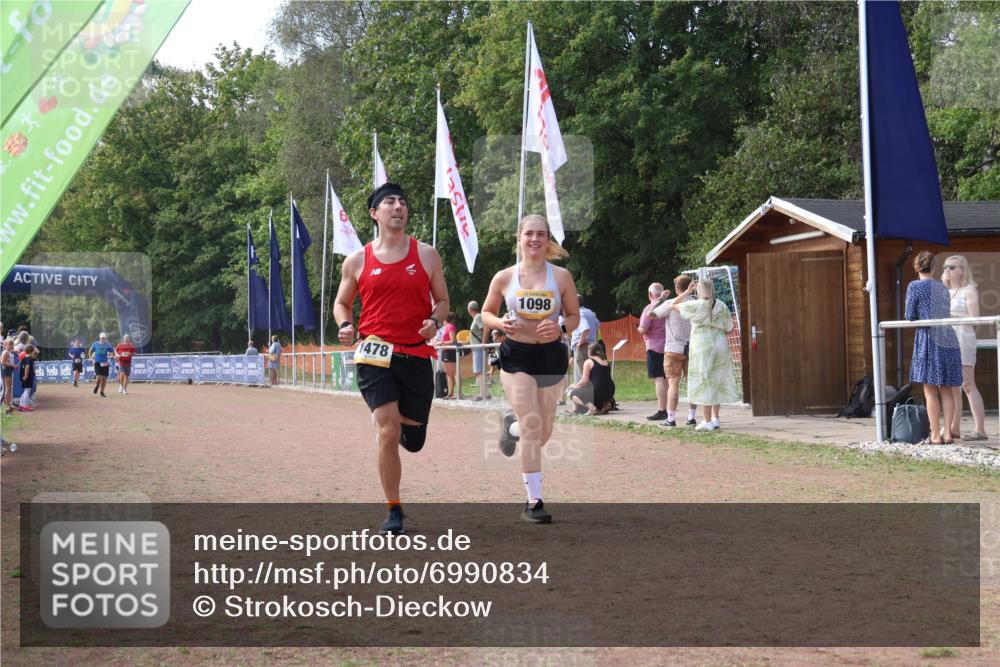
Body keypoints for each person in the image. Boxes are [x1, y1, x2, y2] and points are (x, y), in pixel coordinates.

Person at [334, 182, 449, 536]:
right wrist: (345, 324)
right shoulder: (357, 260)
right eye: (389, 202)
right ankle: (394, 509)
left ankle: (402, 427)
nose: (398, 207)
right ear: (375, 213)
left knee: (412, 440)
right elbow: (341, 303)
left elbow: (443, 303)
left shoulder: (427, 255)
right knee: (387, 429)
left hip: (416, 354)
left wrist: (434, 321)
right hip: (374, 354)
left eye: (402, 201)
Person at [481, 214, 580, 525]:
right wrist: (500, 323)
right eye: (529, 234)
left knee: (543, 430)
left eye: (541, 234)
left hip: (551, 356)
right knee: (533, 424)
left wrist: (562, 326)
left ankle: (510, 429)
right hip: (516, 355)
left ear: (547, 239)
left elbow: (574, 315)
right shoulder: (504, 277)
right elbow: (486, 312)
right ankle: (533, 501)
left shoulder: (561, 276)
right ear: (518, 238)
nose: (535, 239)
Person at [905, 250, 962, 445]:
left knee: (930, 389)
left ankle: (936, 435)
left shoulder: (915, 286)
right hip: (947, 335)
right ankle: (947, 434)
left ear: (916, 267)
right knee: (946, 388)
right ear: (934, 267)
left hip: (928, 337)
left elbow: (909, 315)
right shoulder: (942, 288)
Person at [672, 278, 740, 430]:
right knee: (716, 379)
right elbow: (730, 327)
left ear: (698, 290)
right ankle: (716, 418)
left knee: (704, 380)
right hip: (720, 344)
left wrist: (687, 292)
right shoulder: (721, 305)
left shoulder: (695, 305)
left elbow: (673, 306)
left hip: (702, 345)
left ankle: (707, 420)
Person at [942, 255, 987, 441]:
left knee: (967, 384)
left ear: (962, 270)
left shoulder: (969, 289)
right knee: (953, 387)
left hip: (964, 338)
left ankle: (980, 430)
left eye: (952, 267)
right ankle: (954, 428)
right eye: (945, 267)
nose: (947, 270)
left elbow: (975, 318)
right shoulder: (945, 291)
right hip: (948, 340)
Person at [652, 274, 698, 427]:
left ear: (677, 287)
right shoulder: (696, 303)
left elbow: (650, 314)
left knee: (673, 384)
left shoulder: (671, 303)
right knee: (692, 383)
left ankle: (671, 418)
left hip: (673, 348)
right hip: (692, 347)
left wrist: (661, 299)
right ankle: (691, 417)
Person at [637, 283, 668, 420]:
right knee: (669, 379)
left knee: (659, 379)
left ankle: (662, 410)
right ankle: (670, 408)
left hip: (654, 346)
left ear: (650, 294)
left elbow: (643, 329)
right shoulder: (668, 306)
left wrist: (638, 328)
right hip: (669, 345)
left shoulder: (649, 308)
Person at [566, 341, 616, 415]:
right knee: (584, 394)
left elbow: (584, 380)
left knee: (572, 393)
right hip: (610, 391)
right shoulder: (606, 361)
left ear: (590, 351)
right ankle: (605, 405)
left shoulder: (588, 362)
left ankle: (592, 408)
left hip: (597, 391)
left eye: (588, 350)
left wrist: (574, 386)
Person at [571, 295, 599, 382]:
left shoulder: (579, 313)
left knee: (581, 374)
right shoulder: (589, 312)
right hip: (591, 345)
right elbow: (597, 324)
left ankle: (582, 394)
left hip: (582, 346)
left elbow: (585, 329)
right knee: (589, 372)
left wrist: (579, 344)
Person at [468, 301, 490, 400]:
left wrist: (483, 343)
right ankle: (485, 393)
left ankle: (482, 394)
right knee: (478, 371)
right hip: (476, 348)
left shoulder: (477, 317)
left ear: (470, 309)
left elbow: (485, 329)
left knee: (479, 370)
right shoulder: (476, 317)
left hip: (478, 348)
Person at [435, 312, 459, 399]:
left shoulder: (450, 326)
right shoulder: (447, 327)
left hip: (449, 352)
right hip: (446, 351)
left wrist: (442, 343)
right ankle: (450, 393)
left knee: (451, 374)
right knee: (448, 374)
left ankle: (452, 394)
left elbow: (452, 340)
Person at [88, 332, 115, 398]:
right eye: (102, 338)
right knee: (98, 378)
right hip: (97, 363)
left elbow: (112, 352)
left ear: (105, 338)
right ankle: (97, 386)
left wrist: (110, 355)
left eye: (104, 338)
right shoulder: (95, 344)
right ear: (100, 338)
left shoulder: (108, 345)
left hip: (105, 363)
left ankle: (102, 392)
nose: (103, 339)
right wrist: (90, 357)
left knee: (104, 379)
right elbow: (91, 350)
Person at [18, 344, 36, 412]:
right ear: (31, 351)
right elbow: (27, 367)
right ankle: (24, 406)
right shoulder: (29, 359)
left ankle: (21, 405)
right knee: (27, 391)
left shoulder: (24, 358)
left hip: (23, 376)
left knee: (25, 391)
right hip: (27, 377)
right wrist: (26, 376)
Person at [2, 338, 16, 414]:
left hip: (9, 370)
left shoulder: (9, 352)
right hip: (6, 370)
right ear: (5, 345)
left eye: (12, 344)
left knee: (9, 388)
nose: (11, 346)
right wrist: (12, 365)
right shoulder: (6, 352)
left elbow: (12, 351)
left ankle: (8, 405)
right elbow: (2, 362)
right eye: (9, 344)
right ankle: (7, 406)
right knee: (8, 388)